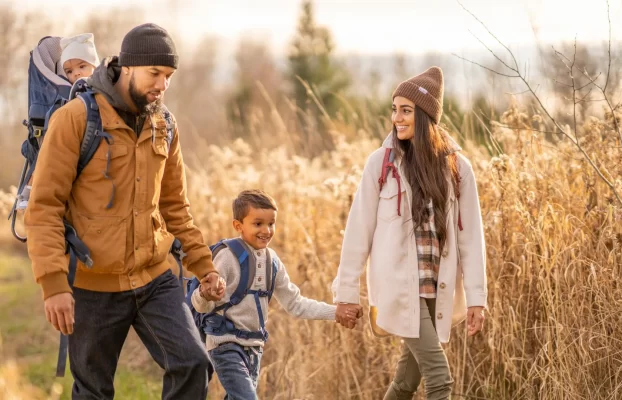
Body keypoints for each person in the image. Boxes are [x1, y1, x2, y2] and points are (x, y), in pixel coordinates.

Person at [24, 23, 224, 399]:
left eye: (168, 77)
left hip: (153, 278)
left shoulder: (164, 124)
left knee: (193, 364)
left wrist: (205, 266)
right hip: (90, 284)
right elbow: (45, 206)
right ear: (128, 67)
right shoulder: (76, 119)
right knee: (93, 391)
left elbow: (175, 206)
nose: (162, 85)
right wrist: (53, 284)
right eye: (155, 74)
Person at [332, 67, 487, 400]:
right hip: (400, 286)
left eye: (406, 110)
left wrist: (477, 299)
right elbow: (358, 231)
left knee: (404, 384)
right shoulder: (381, 164)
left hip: (438, 286)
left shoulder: (458, 168)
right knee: (440, 380)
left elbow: (471, 238)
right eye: (394, 109)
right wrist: (346, 290)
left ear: (425, 116)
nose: (396, 118)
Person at [192, 190, 361, 400]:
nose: (266, 230)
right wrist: (206, 295)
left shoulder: (272, 262)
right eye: (258, 224)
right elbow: (200, 305)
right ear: (238, 226)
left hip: (254, 349)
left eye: (271, 223)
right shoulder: (227, 257)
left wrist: (336, 311)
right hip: (226, 346)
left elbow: (296, 304)